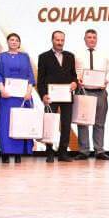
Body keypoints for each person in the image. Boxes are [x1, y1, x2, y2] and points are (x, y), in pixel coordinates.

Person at [37, 30, 78, 162]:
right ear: (52, 40)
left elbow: (74, 76)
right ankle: (49, 152)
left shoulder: (70, 56)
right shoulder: (43, 57)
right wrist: (43, 95)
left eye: (62, 40)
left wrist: (75, 83)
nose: (60, 42)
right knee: (50, 123)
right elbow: (40, 79)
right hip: (50, 97)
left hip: (67, 96)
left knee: (66, 124)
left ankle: (63, 153)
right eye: (57, 40)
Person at [0, 33, 36, 163]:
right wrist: (2, 90)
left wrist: (29, 92)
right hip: (6, 96)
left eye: (16, 40)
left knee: (20, 123)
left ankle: (19, 153)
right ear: (7, 42)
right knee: (6, 124)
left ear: (19, 43)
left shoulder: (25, 57)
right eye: (11, 40)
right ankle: (6, 153)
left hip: (22, 97)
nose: (14, 42)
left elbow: (30, 75)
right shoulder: (1, 56)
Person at [74, 29, 109, 160]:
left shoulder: (104, 54)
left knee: (99, 123)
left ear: (97, 39)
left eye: (94, 37)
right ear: (84, 39)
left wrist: (106, 80)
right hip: (83, 91)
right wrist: (77, 79)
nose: (91, 39)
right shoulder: (77, 55)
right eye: (89, 37)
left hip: (99, 92)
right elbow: (73, 71)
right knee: (82, 122)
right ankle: (83, 151)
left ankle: (99, 150)